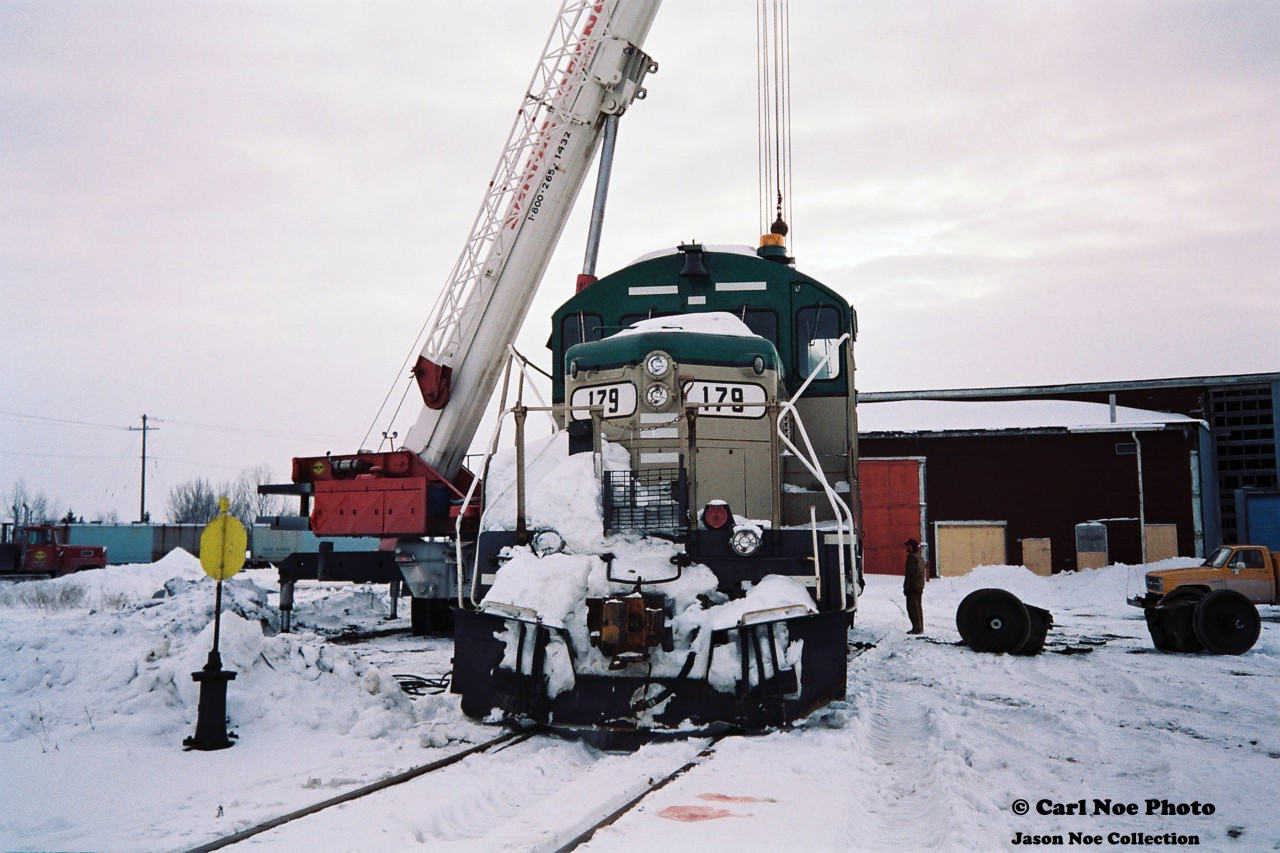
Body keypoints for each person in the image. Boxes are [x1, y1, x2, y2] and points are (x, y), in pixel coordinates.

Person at [904, 538, 928, 634]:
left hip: (913, 587)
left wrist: (906, 586)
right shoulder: (920, 558)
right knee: (918, 607)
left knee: (912, 608)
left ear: (912, 547)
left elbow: (910, 574)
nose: (906, 547)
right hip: (919, 586)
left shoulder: (912, 558)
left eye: (908, 545)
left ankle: (916, 628)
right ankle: (919, 627)